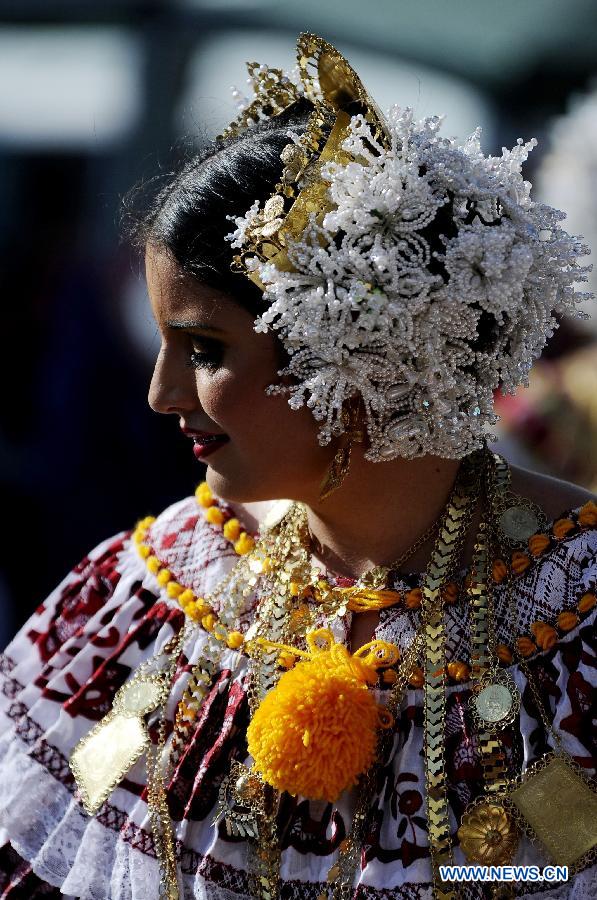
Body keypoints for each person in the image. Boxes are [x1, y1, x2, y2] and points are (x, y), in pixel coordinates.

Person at [1, 32, 596, 900]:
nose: (162, 395)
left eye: (204, 349)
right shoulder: (150, 589)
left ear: (357, 348)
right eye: (163, 344)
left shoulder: (577, 605)